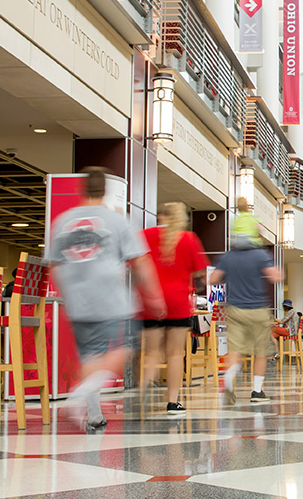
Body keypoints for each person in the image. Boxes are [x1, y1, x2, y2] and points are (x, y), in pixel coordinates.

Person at [47, 167, 165, 431]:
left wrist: (68, 294)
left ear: (83, 189)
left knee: (90, 355)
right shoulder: (117, 220)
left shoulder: (62, 222)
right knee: (125, 347)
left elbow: (54, 265)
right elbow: (140, 261)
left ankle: (93, 414)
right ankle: (83, 390)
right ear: (105, 191)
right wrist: (154, 295)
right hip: (111, 300)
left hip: (78, 302)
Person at [139, 201, 208, 415]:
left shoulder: (145, 235)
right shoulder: (189, 239)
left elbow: (135, 265)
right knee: (175, 354)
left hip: (151, 301)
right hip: (178, 302)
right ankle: (172, 402)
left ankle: (143, 392)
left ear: (161, 216)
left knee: (151, 353)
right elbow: (202, 274)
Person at [210, 244, 283, 404]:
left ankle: (229, 378)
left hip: (235, 309)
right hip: (258, 309)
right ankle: (257, 391)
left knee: (235, 350)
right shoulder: (260, 255)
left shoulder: (228, 256)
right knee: (260, 352)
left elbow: (213, 279)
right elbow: (275, 276)